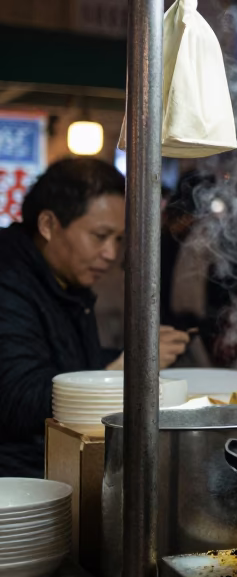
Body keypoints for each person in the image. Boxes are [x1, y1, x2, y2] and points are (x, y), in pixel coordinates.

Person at [0, 158, 190, 477]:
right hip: (20, 484)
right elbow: (18, 397)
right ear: (48, 225)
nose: (111, 254)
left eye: (118, 239)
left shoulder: (63, 280)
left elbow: (69, 362)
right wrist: (126, 368)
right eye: (100, 236)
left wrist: (130, 355)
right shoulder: (8, 277)